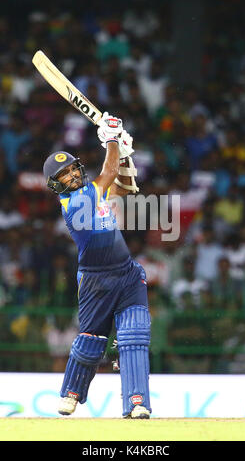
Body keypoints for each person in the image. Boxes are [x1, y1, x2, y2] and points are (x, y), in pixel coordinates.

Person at [43, 112, 151, 419]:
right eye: (64, 174)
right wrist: (113, 141)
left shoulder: (95, 190)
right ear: (56, 184)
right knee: (91, 341)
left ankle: (137, 402)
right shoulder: (75, 203)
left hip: (127, 274)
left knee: (134, 335)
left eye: (73, 168)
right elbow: (107, 174)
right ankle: (71, 393)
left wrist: (125, 154)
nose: (73, 175)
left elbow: (127, 186)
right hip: (95, 279)